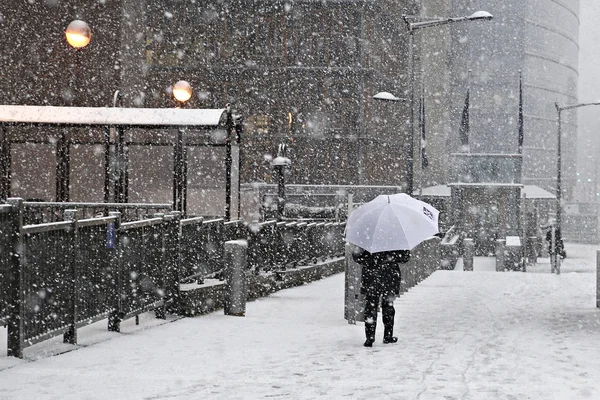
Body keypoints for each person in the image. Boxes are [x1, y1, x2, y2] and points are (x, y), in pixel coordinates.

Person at [352, 247, 410, 347]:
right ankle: (388, 336)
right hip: (390, 277)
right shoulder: (395, 240)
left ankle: (369, 338)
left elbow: (358, 258)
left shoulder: (369, 240)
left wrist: (364, 256)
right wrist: (392, 257)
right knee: (388, 307)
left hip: (371, 278)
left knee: (370, 307)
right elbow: (404, 258)